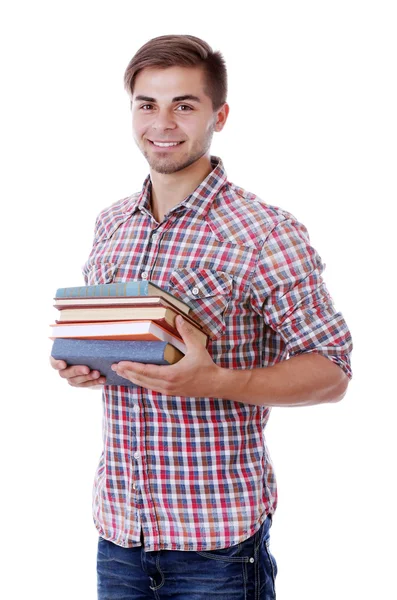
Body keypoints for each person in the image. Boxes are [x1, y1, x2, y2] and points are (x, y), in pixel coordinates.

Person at [50, 34, 353, 600]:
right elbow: (119, 345)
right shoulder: (112, 224)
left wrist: (216, 381)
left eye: (184, 105)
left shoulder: (265, 232)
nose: (162, 123)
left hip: (216, 546)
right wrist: (82, 365)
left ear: (220, 114)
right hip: (119, 535)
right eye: (147, 104)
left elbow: (332, 370)